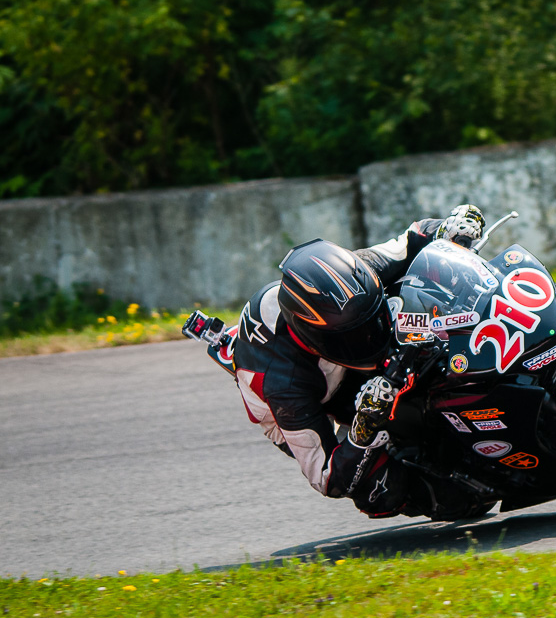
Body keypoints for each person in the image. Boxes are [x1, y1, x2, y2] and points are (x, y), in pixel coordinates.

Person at [189, 205, 488, 519]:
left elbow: (413, 238)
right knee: (373, 487)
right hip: (310, 401)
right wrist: (364, 425)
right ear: (314, 337)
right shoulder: (285, 384)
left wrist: (451, 227)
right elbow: (326, 477)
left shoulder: (352, 277)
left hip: (333, 361)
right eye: (353, 336)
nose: (370, 339)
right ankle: (433, 493)